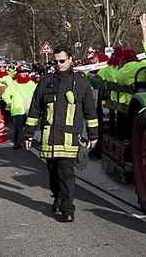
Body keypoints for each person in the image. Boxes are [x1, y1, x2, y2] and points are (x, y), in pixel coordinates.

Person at [25, 46, 98, 222]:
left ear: (71, 59)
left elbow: (90, 111)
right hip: (49, 138)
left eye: (62, 61)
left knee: (66, 173)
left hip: (69, 137)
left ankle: (68, 209)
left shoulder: (81, 83)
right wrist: (28, 134)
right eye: (55, 61)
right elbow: (35, 108)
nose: (58, 64)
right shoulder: (46, 81)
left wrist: (93, 135)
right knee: (53, 174)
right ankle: (57, 197)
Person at [2, 65, 37, 149]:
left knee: (29, 127)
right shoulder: (13, 84)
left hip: (29, 109)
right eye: (21, 72)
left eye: (25, 72)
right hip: (17, 109)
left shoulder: (31, 83)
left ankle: (27, 142)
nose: (23, 74)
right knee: (18, 128)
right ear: (18, 73)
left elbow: (36, 95)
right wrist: (10, 103)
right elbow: (5, 95)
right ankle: (17, 143)